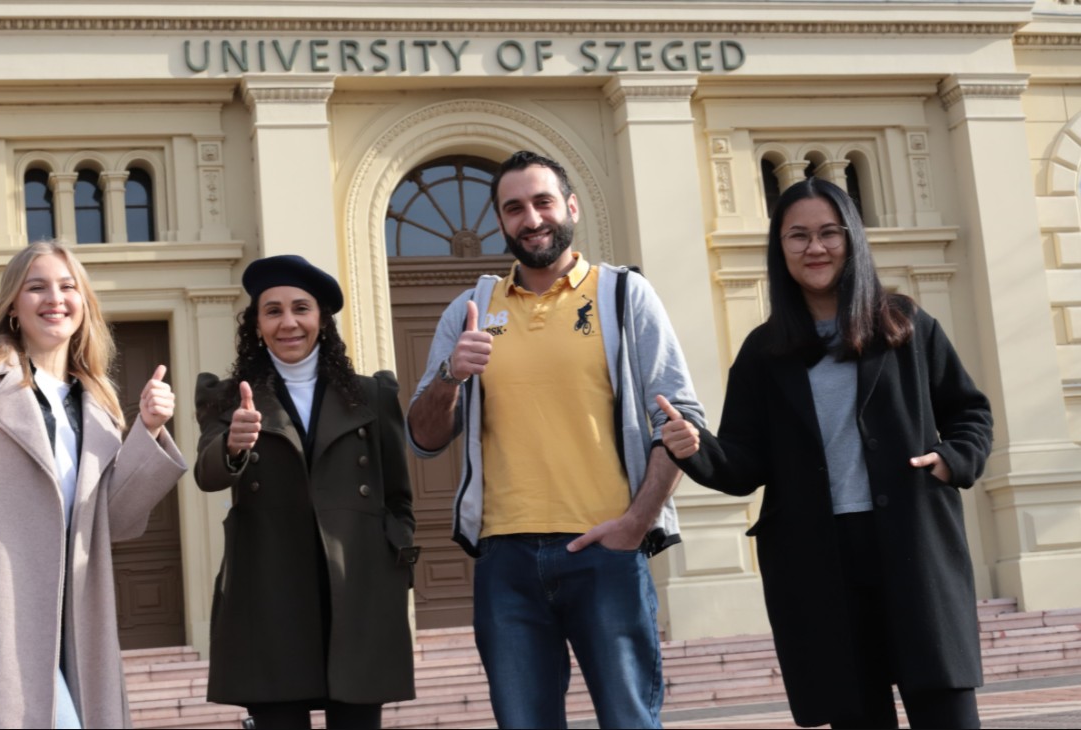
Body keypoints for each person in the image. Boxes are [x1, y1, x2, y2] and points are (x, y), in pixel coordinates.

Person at [658, 176, 993, 729]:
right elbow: (743, 463)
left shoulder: (906, 325)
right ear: (780, 248)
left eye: (829, 233)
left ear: (851, 238)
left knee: (946, 710)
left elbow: (970, 412)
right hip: (819, 562)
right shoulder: (764, 351)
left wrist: (952, 459)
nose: (815, 247)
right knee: (855, 714)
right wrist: (695, 450)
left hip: (914, 545)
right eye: (798, 236)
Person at [406, 150, 705, 729]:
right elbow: (424, 438)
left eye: (543, 202)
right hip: (504, 557)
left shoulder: (624, 295)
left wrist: (636, 524)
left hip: (606, 550)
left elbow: (679, 417)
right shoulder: (470, 310)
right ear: (501, 221)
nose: (531, 218)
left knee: (629, 722)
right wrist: (450, 375)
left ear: (570, 207)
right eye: (514, 208)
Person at [0, 241, 187, 729]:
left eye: (68, 287)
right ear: (13, 306)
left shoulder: (100, 405)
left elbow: (115, 522)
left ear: (84, 304)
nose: (55, 298)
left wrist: (146, 432)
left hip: (73, 611)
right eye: (37, 287)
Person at [193, 254, 418, 730]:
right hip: (269, 590)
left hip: (357, 587)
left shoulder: (373, 395)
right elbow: (208, 475)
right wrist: (232, 445)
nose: (288, 322)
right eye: (272, 311)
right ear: (257, 325)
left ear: (322, 320)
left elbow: (399, 495)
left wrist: (394, 562)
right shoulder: (226, 396)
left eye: (301, 308)